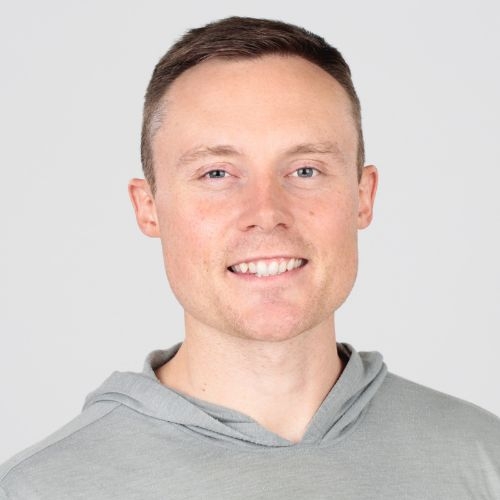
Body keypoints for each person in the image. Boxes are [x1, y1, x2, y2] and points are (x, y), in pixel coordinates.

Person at [1, 15, 499, 499]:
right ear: (148, 208)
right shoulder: (38, 489)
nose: (266, 213)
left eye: (305, 170)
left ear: (363, 197)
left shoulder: (485, 458)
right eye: (217, 174)